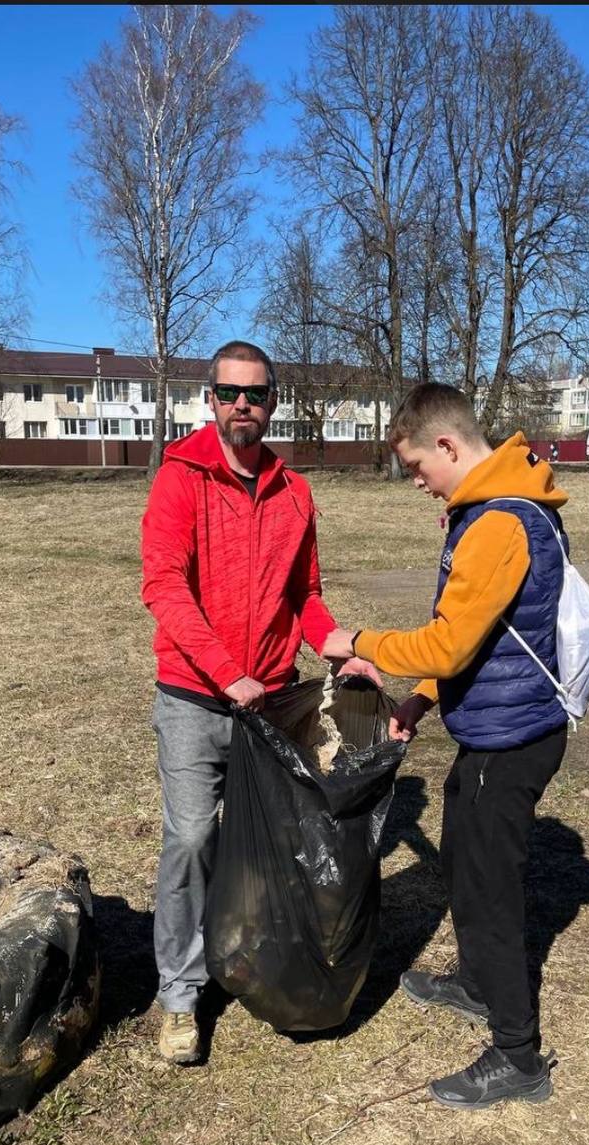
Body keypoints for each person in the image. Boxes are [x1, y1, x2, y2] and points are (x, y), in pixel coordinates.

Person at [323, 382, 572, 1109]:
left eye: (416, 466)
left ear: (446, 444)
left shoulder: (498, 522)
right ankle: (476, 983)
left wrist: (359, 641)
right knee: (462, 856)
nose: (416, 482)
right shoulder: (498, 506)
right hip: (494, 727)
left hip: (511, 738)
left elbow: (450, 643)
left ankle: (517, 1055)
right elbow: (486, 637)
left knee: (489, 893)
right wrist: (422, 699)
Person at [141, 339, 379, 1064]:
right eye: (229, 393)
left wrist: (337, 645)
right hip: (195, 697)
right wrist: (224, 672)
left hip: (271, 702)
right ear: (209, 400)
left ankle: (250, 955)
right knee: (192, 839)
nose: (242, 405)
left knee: (267, 842)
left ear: (273, 401)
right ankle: (179, 995)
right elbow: (164, 586)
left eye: (255, 393)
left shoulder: (294, 492)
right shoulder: (180, 479)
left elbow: (305, 595)